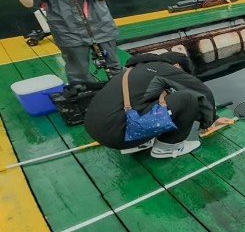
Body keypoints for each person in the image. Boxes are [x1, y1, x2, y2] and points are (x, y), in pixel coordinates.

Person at [84, 51, 234, 158]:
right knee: (187, 98)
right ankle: (168, 148)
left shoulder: (133, 70)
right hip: (118, 135)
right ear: (176, 65)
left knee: (164, 96)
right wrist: (209, 120)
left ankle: (140, 143)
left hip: (99, 130)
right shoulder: (165, 68)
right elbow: (201, 91)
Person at [12, 0, 122, 84]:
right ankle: (85, 94)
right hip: (68, 33)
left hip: (101, 28)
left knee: (114, 65)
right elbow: (29, 3)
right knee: (78, 72)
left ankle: (122, 88)